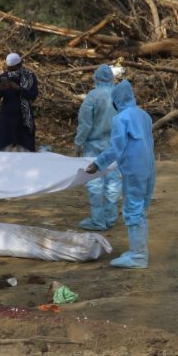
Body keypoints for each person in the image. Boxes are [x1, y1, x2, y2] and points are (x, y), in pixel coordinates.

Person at [85, 80, 155, 269]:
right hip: (148, 165)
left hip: (133, 168)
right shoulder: (144, 115)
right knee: (139, 209)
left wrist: (97, 164)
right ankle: (139, 251)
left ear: (116, 101)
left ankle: (138, 256)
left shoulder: (121, 119)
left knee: (133, 209)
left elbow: (116, 147)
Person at [74, 64, 122, 231]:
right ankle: (110, 217)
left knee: (94, 180)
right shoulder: (119, 95)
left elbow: (85, 124)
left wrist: (79, 143)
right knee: (113, 179)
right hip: (115, 144)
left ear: (95, 78)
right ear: (112, 78)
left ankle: (97, 220)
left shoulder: (92, 96)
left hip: (93, 145)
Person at [0, 53, 39, 152]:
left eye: (13, 69)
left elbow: (33, 96)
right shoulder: (3, 77)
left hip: (24, 120)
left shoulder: (29, 77)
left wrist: (20, 88)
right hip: (7, 119)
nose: (10, 71)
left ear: (20, 65)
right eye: (9, 69)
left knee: (25, 152)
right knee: (4, 152)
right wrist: (0, 90)